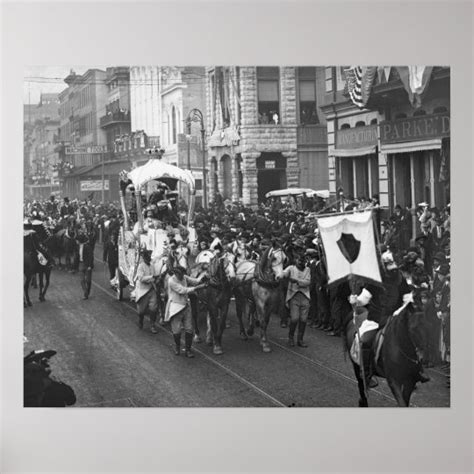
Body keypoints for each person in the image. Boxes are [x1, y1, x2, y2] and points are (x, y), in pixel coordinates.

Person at [165, 265, 207, 357]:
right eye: (180, 275)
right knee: (177, 331)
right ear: (175, 274)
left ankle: (188, 349)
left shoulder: (184, 277)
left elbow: (195, 281)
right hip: (175, 308)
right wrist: (198, 288)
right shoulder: (171, 281)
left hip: (186, 306)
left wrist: (203, 276)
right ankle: (177, 346)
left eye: (183, 274)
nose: (182, 276)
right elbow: (182, 290)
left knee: (189, 329)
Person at [281, 255, 311, 348]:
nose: (300, 262)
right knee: (294, 319)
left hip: (305, 296)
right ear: (295, 260)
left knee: (303, 319)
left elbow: (308, 282)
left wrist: (297, 281)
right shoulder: (291, 268)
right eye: (298, 260)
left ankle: (300, 340)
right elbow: (283, 274)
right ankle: (290, 338)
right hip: (293, 296)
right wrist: (280, 272)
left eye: (302, 260)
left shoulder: (308, 270)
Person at [135, 249, 159, 334]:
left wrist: (156, 278)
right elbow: (141, 278)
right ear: (144, 258)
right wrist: (151, 277)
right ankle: (140, 320)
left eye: (150, 256)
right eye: (148, 256)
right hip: (143, 291)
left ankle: (152, 325)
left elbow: (154, 276)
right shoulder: (141, 266)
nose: (149, 258)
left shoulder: (152, 266)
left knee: (153, 308)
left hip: (151, 289)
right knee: (141, 311)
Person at [75, 230, 94, 300]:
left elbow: (91, 257)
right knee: (82, 280)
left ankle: (87, 292)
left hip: (87, 264)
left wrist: (90, 266)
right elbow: (76, 257)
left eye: (77, 240)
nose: (76, 242)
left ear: (79, 241)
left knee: (88, 281)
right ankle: (86, 293)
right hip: (81, 264)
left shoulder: (87, 247)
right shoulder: (77, 247)